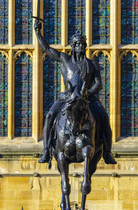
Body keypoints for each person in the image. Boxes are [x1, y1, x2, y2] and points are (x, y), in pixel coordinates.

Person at [34, 19, 116, 165]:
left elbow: (98, 84)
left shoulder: (91, 64)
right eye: (77, 44)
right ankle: (46, 150)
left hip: (88, 98)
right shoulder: (65, 59)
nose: (80, 46)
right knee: (50, 116)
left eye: (82, 44)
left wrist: (87, 93)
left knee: (104, 117)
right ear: (72, 46)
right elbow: (47, 49)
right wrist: (38, 32)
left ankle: (107, 152)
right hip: (67, 98)